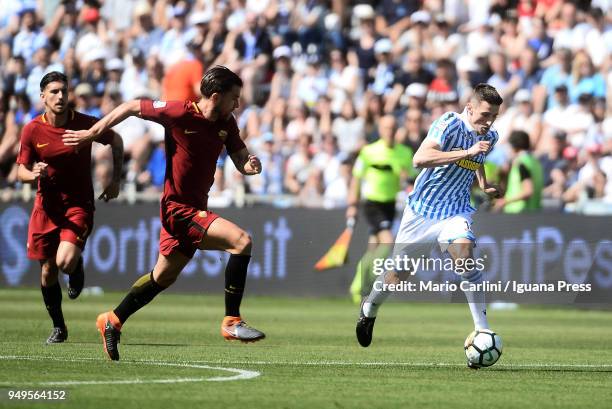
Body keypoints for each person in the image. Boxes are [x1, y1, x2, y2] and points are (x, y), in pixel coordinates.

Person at [63, 66, 265, 361]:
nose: (237, 104)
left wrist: (251, 165)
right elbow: (132, 106)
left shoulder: (227, 122)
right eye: (234, 98)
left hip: (192, 209)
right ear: (216, 96)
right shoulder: (179, 113)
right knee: (242, 241)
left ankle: (113, 320)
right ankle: (232, 321)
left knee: (161, 278)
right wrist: (92, 134)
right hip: (178, 210)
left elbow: (240, 159)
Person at [355, 84, 503, 368]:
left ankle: (482, 329)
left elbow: (478, 159)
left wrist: (484, 185)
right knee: (399, 274)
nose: (489, 122)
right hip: (422, 212)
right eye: (485, 115)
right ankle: (370, 307)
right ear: (470, 108)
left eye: (494, 116)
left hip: (456, 211)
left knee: (465, 257)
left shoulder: (491, 135)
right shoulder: (447, 123)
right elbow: (420, 159)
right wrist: (467, 151)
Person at [16, 71, 123, 344]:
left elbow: (116, 140)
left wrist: (115, 180)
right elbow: (21, 172)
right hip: (46, 208)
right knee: (48, 271)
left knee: (64, 261)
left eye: (64, 91)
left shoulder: (85, 124)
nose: (61, 96)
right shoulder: (31, 129)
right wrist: (34, 174)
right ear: (43, 97)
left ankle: (75, 267)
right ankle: (59, 327)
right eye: (54, 92)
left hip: (78, 205)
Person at [346, 115, 415, 304]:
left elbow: (411, 180)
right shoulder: (368, 151)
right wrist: (352, 205)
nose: (390, 132)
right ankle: (365, 285)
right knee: (387, 243)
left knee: (373, 248)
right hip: (372, 203)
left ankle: (358, 286)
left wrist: (405, 178)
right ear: (380, 129)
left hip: (390, 204)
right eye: (386, 128)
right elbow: (356, 179)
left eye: (393, 128)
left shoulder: (404, 153)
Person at [493, 130, 544, 213]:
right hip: (535, 211)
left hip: (518, 213)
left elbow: (528, 191)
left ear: (513, 147)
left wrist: (505, 201)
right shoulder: (535, 162)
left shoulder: (521, 163)